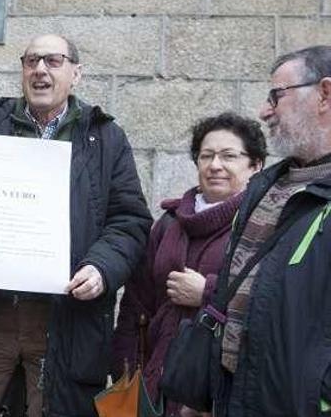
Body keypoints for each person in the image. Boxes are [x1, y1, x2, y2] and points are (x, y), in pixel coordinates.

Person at [0, 34, 152, 416]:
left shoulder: (106, 138)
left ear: (75, 73)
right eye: (31, 61)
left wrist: (101, 267)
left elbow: (129, 220)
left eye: (52, 60)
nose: (40, 70)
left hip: (64, 317)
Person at [112, 113, 266, 417]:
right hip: (154, 383)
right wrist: (125, 375)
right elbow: (136, 304)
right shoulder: (169, 223)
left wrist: (207, 292)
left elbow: (270, 303)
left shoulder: (261, 227)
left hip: (217, 390)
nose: (215, 165)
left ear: (256, 165)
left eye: (229, 156)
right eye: (206, 156)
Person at [208, 46, 331, 417]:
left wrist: (316, 396)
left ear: (325, 94)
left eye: (277, 96)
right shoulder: (263, 187)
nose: (265, 111)